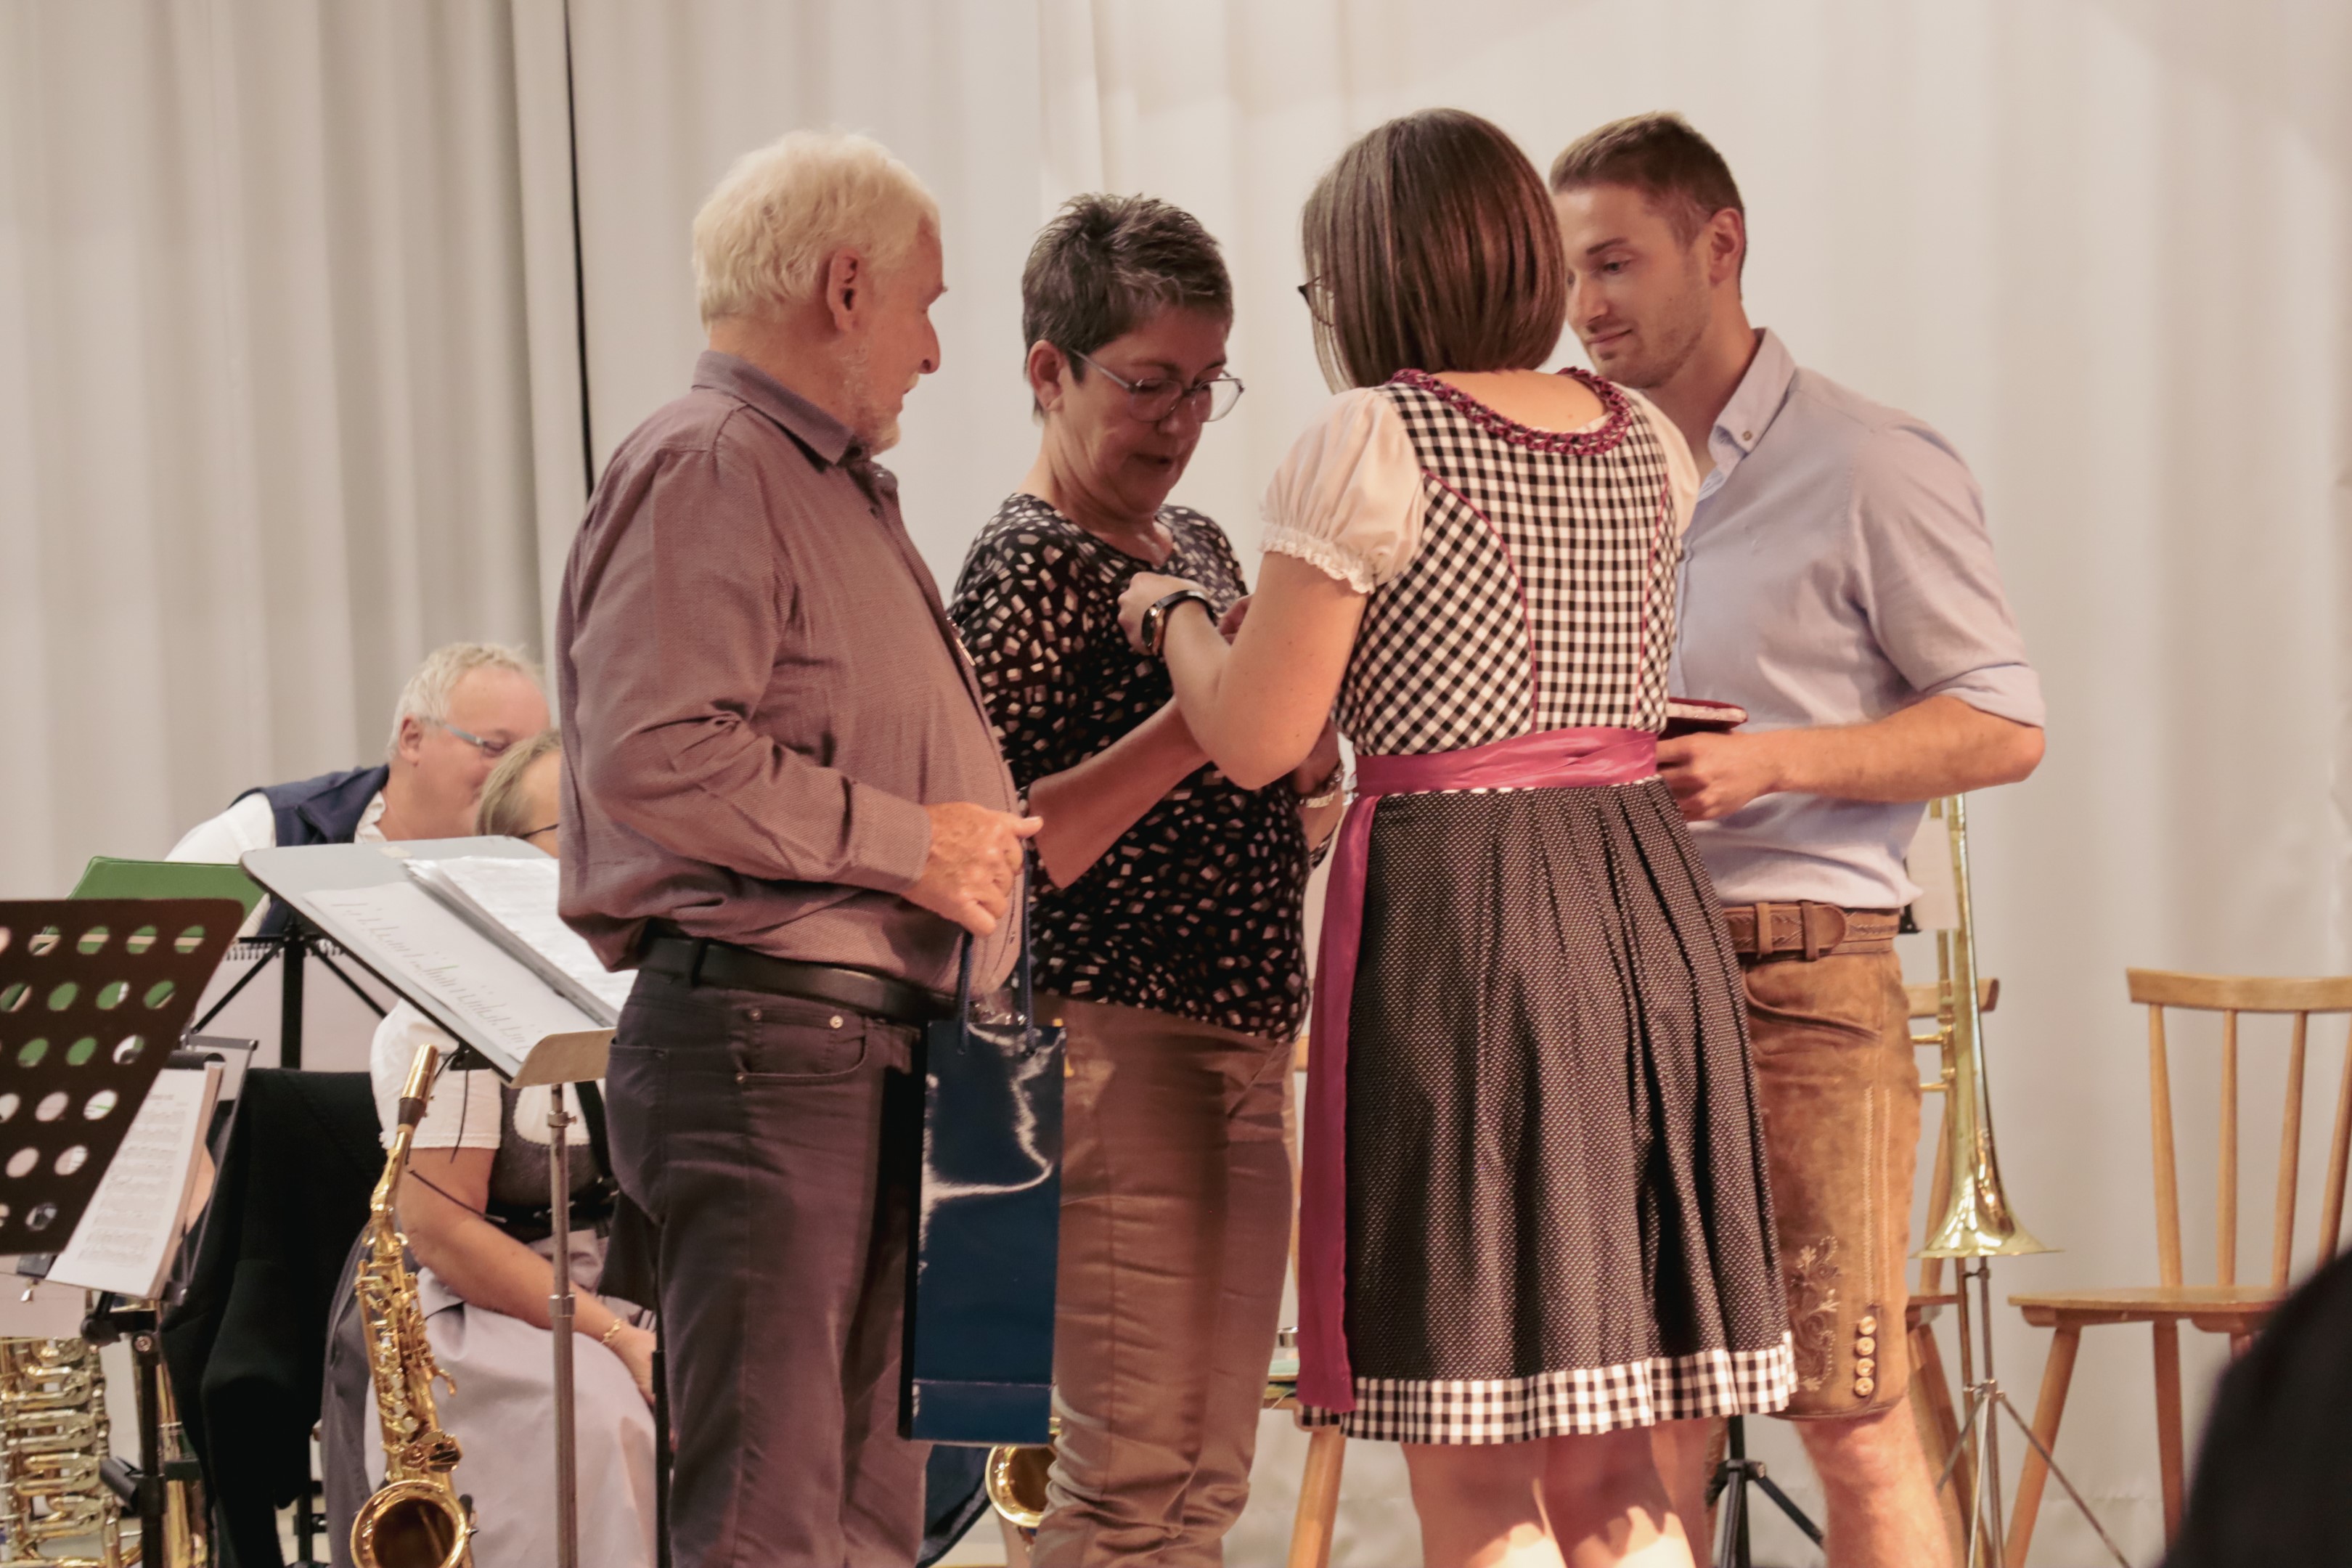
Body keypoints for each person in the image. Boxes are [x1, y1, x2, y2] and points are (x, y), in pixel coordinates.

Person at [1115, 108, 1792, 1568]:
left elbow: (1259, 737)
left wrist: (1172, 615)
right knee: (1617, 1463)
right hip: (1642, 917)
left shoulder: (1374, 437)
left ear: (1369, 278)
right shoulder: (1641, 437)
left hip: (1470, 925)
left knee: (1474, 1462)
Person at [1550, 113, 2046, 1568]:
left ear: (1721, 244)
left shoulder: (1870, 461)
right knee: (1643, 1420)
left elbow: (2004, 722)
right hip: (1620, 987)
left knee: (1850, 1409)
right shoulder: (1581, 467)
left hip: (1806, 990)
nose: (1586, 308)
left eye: (1615, 263)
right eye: (1568, 275)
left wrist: (1775, 760)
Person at [558, 130, 1037, 1568]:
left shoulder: (813, 480)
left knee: (872, 1521)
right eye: (926, 305)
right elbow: (654, 751)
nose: (935, 352)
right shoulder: (709, 462)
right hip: (774, 1053)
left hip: (878, 1052)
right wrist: (911, 844)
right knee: (769, 1522)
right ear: (844, 288)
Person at [947, 195, 1343, 1566]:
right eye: (1147, 384)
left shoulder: (1205, 549)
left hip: (1239, 1043)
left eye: (1204, 385)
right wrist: (1206, 710)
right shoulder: (1023, 569)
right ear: (1047, 371)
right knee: (1123, 1490)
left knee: (1205, 1489)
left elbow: (1271, 807)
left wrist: (1306, 766)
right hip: (1101, 1049)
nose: (1179, 422)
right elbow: (1011, 845)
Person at [320, 730, 658, 1568]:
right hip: (480, 1303)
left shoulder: (647, 981)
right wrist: (621, 1342)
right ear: (504, 860)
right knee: (603, 1418)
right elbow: (445, 1234)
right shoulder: (446, 1012)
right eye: (573, 832)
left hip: (624, 1278)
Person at [169, 641, 550, 875]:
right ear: (413, 739)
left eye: (532, 757)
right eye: (496, 748)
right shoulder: (279, 833)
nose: (519, 777)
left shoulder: (543, 866)